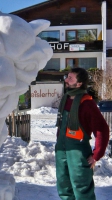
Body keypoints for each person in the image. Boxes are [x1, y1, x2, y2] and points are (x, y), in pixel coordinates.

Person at [55, 67, 109, 200]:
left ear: (79, 84)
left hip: (78, 154)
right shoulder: (65, 100)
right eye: (67, 77)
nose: (66, 80)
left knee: (82, 189)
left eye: (70, 78)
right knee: (64, 187)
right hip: (62, 151)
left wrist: (97, 154)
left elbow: (102, 129)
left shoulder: (87, 103)